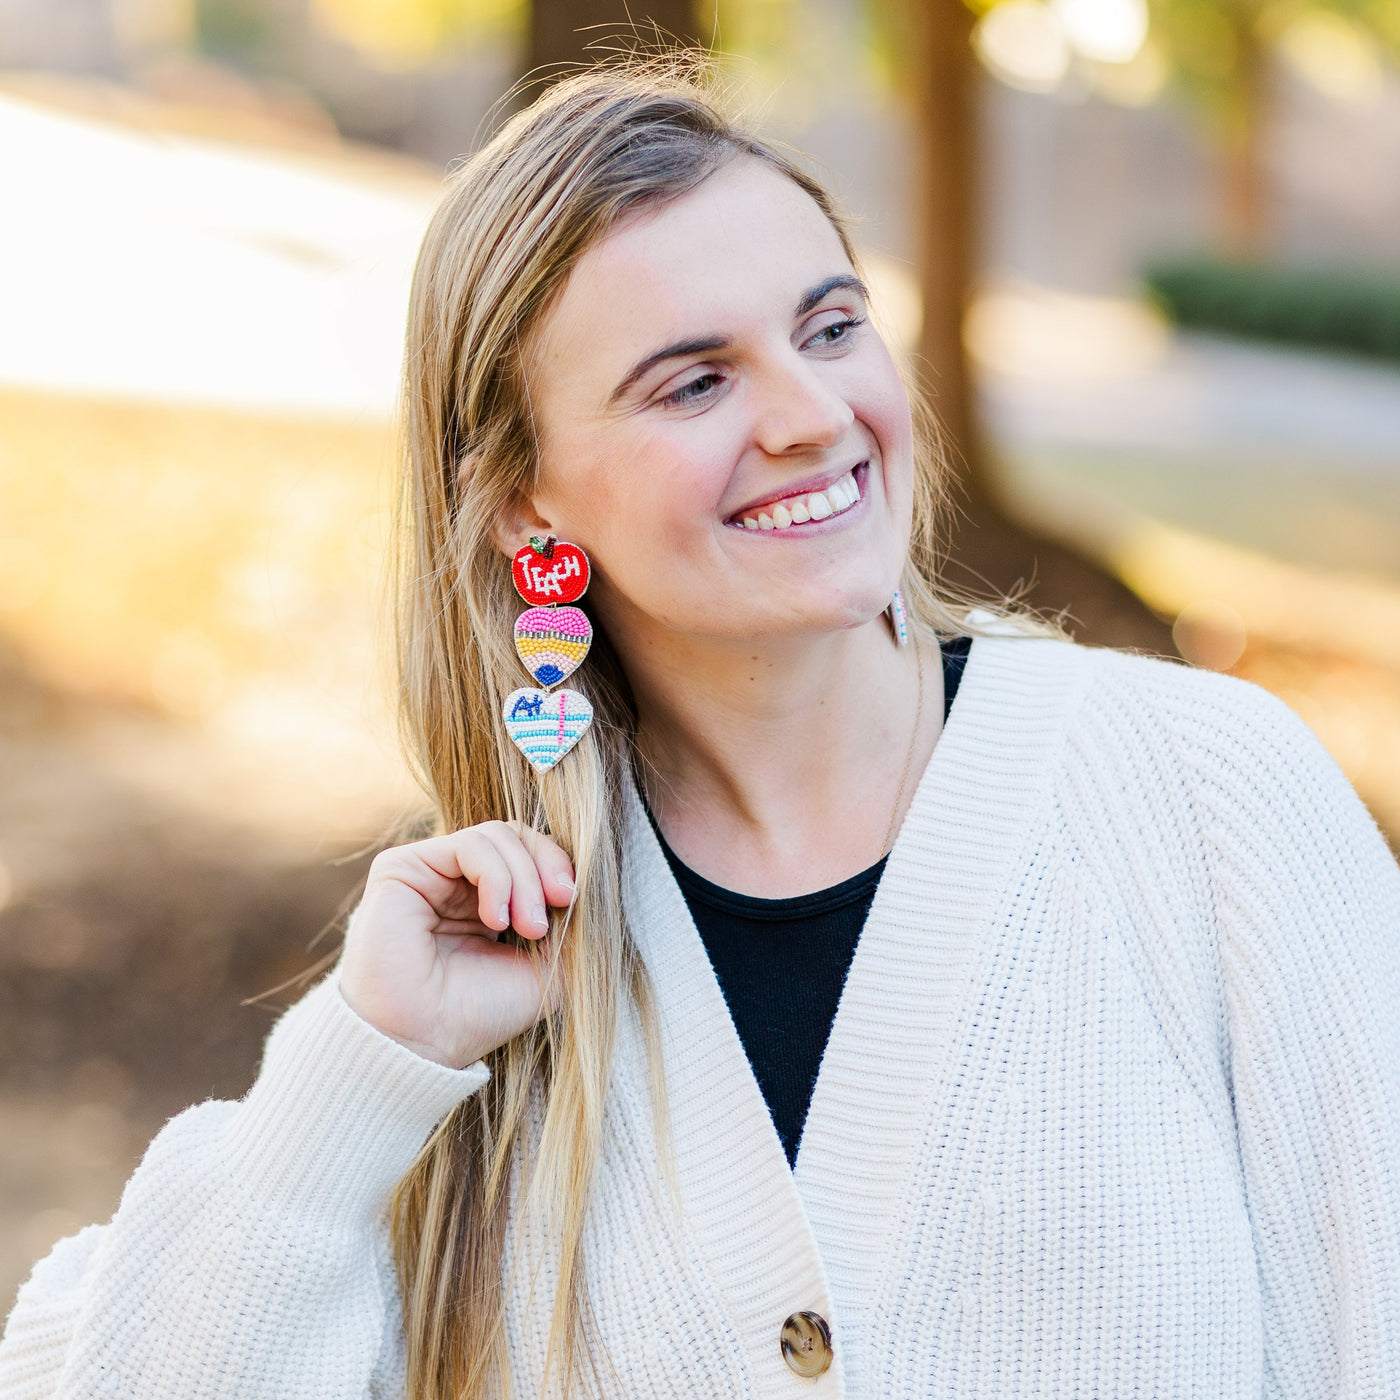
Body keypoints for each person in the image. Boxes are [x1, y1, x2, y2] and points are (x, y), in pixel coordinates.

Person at [2, 60, 1398, 1400]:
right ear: (521, 501)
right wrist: (356, 1083)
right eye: (694, 380)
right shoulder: (467, 981)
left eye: (832, 326)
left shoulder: (1207, 794)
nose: (813, 415)